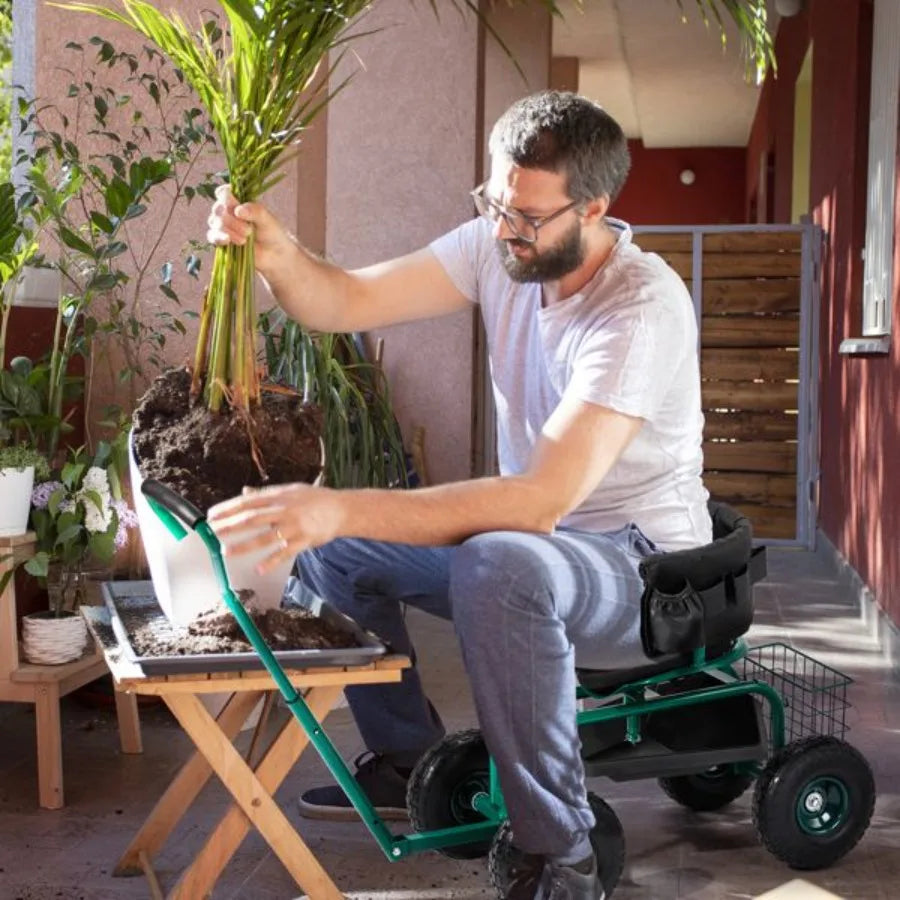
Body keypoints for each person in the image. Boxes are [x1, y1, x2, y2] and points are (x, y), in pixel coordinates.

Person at [207, 90, 710, 900]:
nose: (506, 229)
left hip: (641, 571)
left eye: (529, 217)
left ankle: (563, 854)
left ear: (595, 207)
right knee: (337, 551)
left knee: (498, 565)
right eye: (496, 204)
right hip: (535, 547)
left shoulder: (639, 309)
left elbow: (539, 499)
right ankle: (408, 763)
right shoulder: (497, 246)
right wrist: (275, 251)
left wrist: (339, 501)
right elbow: (344, 300)